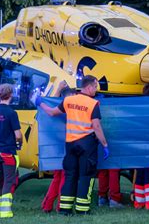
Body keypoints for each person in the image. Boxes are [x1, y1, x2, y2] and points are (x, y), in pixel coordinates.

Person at [35, 75, 109, 215]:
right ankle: (82, 209)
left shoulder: (68, 100)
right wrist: (104, 144)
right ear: (88, 87)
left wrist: (40, 103)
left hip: (70, 144)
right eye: (95, 87)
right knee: (85, 176)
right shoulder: (93, 104)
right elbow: (96, 126)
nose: (96, 90)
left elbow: (51, 113)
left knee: (70, 176)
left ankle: (65, 209)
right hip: (87, 144)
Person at [0, 83, 23, 218]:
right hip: (8, 151)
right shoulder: (11, 113)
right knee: (9, 181)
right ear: (11, 95)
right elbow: (18, 135)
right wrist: (19, 142)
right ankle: (5, 211)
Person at [40, 81, 72, 213]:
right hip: (66, 145)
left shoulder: (57, 107)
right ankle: (60, 205)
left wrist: (58, 89)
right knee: (63, 176)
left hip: (55, 145)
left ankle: (47, 205)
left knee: (58, 177)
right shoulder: (67, 108)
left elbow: (51, 102)